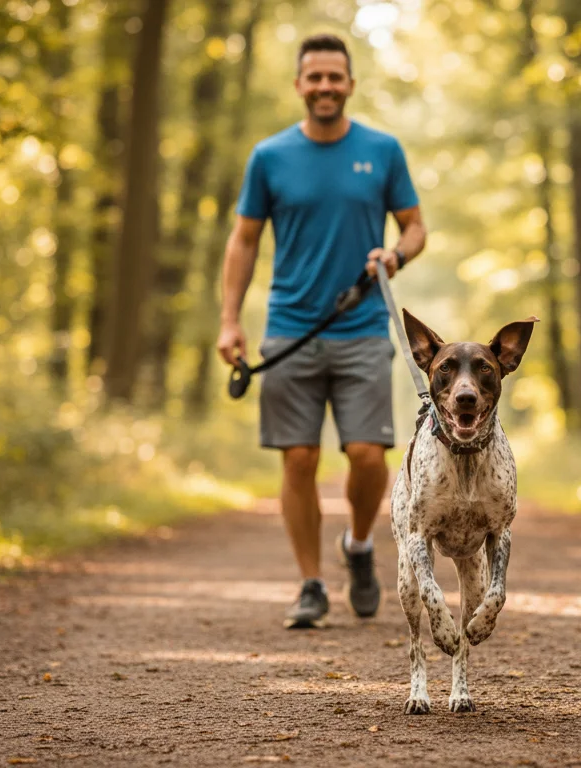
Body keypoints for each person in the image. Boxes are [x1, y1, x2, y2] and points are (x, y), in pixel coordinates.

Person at [215, 33, 427, 629]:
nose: (325, 87)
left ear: (350, 84)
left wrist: (396, 255)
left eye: (335, 77)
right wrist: (230, 320)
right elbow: (244, 240)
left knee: (367, 455)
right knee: (299, 459)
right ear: (299, 85)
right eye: (315, 78)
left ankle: (358, 546)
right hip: (290, 330)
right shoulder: (270, 157)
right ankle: (310, 584)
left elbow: (415, 227)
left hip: (362, 325)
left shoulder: (382, 150)